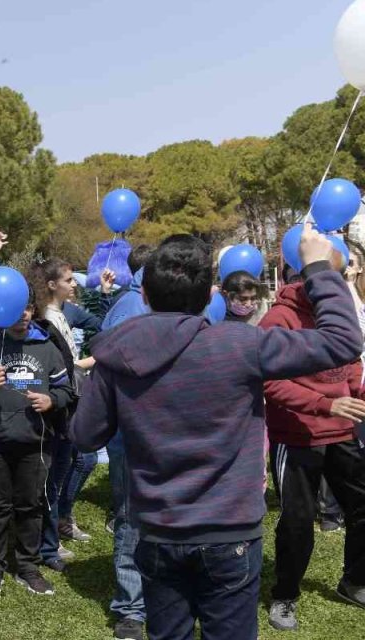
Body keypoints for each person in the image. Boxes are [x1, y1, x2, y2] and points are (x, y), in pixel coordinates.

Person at [72, 229, 362, 640]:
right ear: (211, 296)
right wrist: (317, 268)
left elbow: (85, 435)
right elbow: (344, 340)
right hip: (229, 533)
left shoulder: (118, 353)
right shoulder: (242, 344)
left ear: (146, 297)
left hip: (159, 530)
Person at [259, 246, 365, 631]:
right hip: (297, 435)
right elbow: (268, 379)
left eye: (340, 277)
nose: (337, 285)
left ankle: (354, 581)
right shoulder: (279, 318)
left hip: (343, 433)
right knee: (298, 522)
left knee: (362, 507)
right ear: (306, 276)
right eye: (329, 277)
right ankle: (285, 595)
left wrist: (356, 394)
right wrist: (324, 404)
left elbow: (351, 361)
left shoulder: (336, 310)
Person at [0, 285, 75, 597]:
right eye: (16, 309)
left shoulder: (47, 347)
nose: (23, 315)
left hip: (34, 441)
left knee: (31, 505)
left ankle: (28, 566)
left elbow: (66, 390)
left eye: (27, 308)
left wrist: (51, 400)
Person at [95, 244, 154, 640]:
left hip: (161, 433)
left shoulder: (157, 307)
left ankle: (157, 596)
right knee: (133, 521)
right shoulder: (131, 309)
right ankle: (131, 607)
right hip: (134, 434)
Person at [30, 258, 99, 572]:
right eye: (69, 279)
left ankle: (60, 522)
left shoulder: (61, 314)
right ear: (51, 284)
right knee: (57, 474)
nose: (74, 284)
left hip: (71, 399)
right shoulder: (46, 318)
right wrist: (91, 362)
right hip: (60, 406)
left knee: (82, 461)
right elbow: (58, 367)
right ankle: (51, 536)